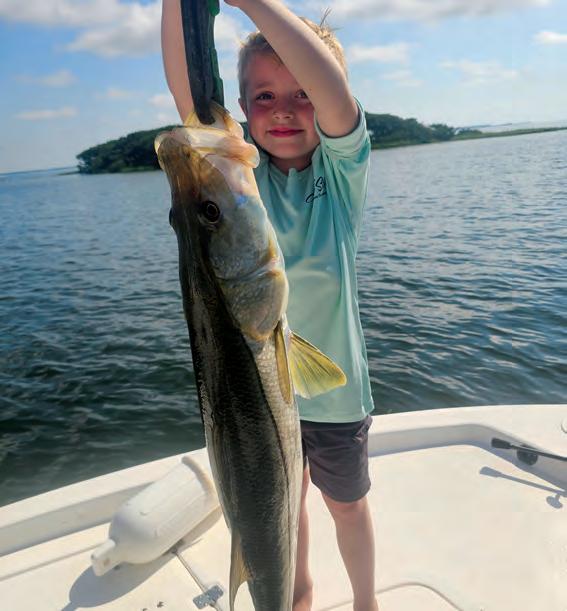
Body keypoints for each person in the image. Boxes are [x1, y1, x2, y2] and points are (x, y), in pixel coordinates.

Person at [161, 1, 378, 609]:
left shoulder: (340, 174)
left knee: (347, 506)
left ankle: (366, 600)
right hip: (263, 409)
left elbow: (335, 97)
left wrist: (255, 3)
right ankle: (296, 595)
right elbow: (186, 89)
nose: (283, 109)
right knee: (289, 506)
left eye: (301, 92)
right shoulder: (237, 178)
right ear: (243, 108)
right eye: (263, 97)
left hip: (336, 399)